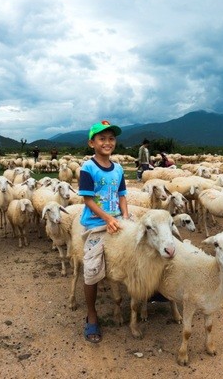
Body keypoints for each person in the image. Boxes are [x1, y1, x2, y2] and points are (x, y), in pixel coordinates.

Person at [78, 120, 129, 343]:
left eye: (111, 138)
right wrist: (107, 218)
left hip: (118, 220)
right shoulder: (87, 168)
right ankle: (92, 315)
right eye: (102, 139)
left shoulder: (118, 168)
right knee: (91, 268)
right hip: (95, 224)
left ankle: (152, 291)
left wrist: (125, 218)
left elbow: (122, 195)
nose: (107, 142)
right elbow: (88, 199)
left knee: (144, 247)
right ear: (92, 143)